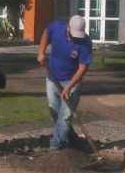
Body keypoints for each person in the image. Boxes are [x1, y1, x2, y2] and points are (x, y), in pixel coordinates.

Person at [36, 15, 93, 150]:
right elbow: (46, 33)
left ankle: (56, 146)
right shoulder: (56, 27)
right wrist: (41, 52)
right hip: (52, 78)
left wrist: (69, 87)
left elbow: (83, 68)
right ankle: (70, 137)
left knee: (65, 116)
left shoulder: (85, 42)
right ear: (67, 27)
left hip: (72, 81)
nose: (76, 38)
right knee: (55, 111)